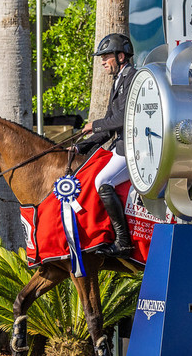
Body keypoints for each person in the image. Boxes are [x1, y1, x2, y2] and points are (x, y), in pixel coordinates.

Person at [73, 33, 137, 258]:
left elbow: (121, 119)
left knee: (103, 180)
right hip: (120, 146)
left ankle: (123, 242)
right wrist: (81, 147)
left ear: (121, 56)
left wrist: (94, 124)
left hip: (134, 149)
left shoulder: (133, 79)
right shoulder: (117, 81)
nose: (102, 61)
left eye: (106, 56)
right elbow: (108, 129)